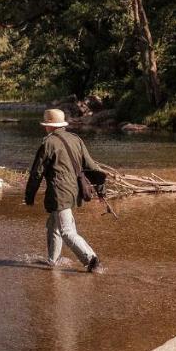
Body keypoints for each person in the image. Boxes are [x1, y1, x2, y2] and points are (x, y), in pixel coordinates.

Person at [25, 108, 104, 273]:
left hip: (59, 193)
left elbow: (36, 173)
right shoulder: (76, 139)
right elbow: (91, 166)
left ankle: (91, 260)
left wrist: (29, 195)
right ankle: (52, 261)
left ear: (48, 126)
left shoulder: (48, 143)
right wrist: (101, 188)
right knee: (53, 226)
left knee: (67, 231)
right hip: (74, 191)